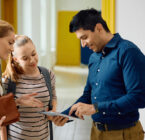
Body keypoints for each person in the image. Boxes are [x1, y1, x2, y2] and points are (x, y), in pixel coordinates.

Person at [60, 8, 145, 140]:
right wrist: (65, 115)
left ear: (99, 28)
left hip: (123, 134)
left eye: (85, 37)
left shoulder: (128, 52)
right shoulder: (93, 58)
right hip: (96, 132)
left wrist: (96, 108)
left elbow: (139, 97)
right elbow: (88, 95)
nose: (83, 45)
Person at [1, 35, 64, 140]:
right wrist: (17, 102)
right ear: (16, 59)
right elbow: (2, 115)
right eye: (25, 58)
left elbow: (53, 97)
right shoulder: (9, 80)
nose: (32, 60)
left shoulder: (48, 75)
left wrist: (53, 114)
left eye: (33, 54)